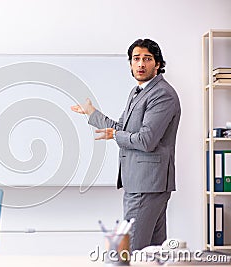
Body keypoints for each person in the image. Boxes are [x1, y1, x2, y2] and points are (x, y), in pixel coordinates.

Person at [71, 39, 181, 251]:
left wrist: (115, 135)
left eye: (147, 59)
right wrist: (92, 113)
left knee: (131, 251)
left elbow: (146, 140)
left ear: (157, 64)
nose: (141, 64)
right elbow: (122, 127)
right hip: (142, 183)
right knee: (153, 254)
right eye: (136, 59)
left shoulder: (162, 94)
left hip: (146, 184)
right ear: (130, 64)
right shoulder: (137, 92)